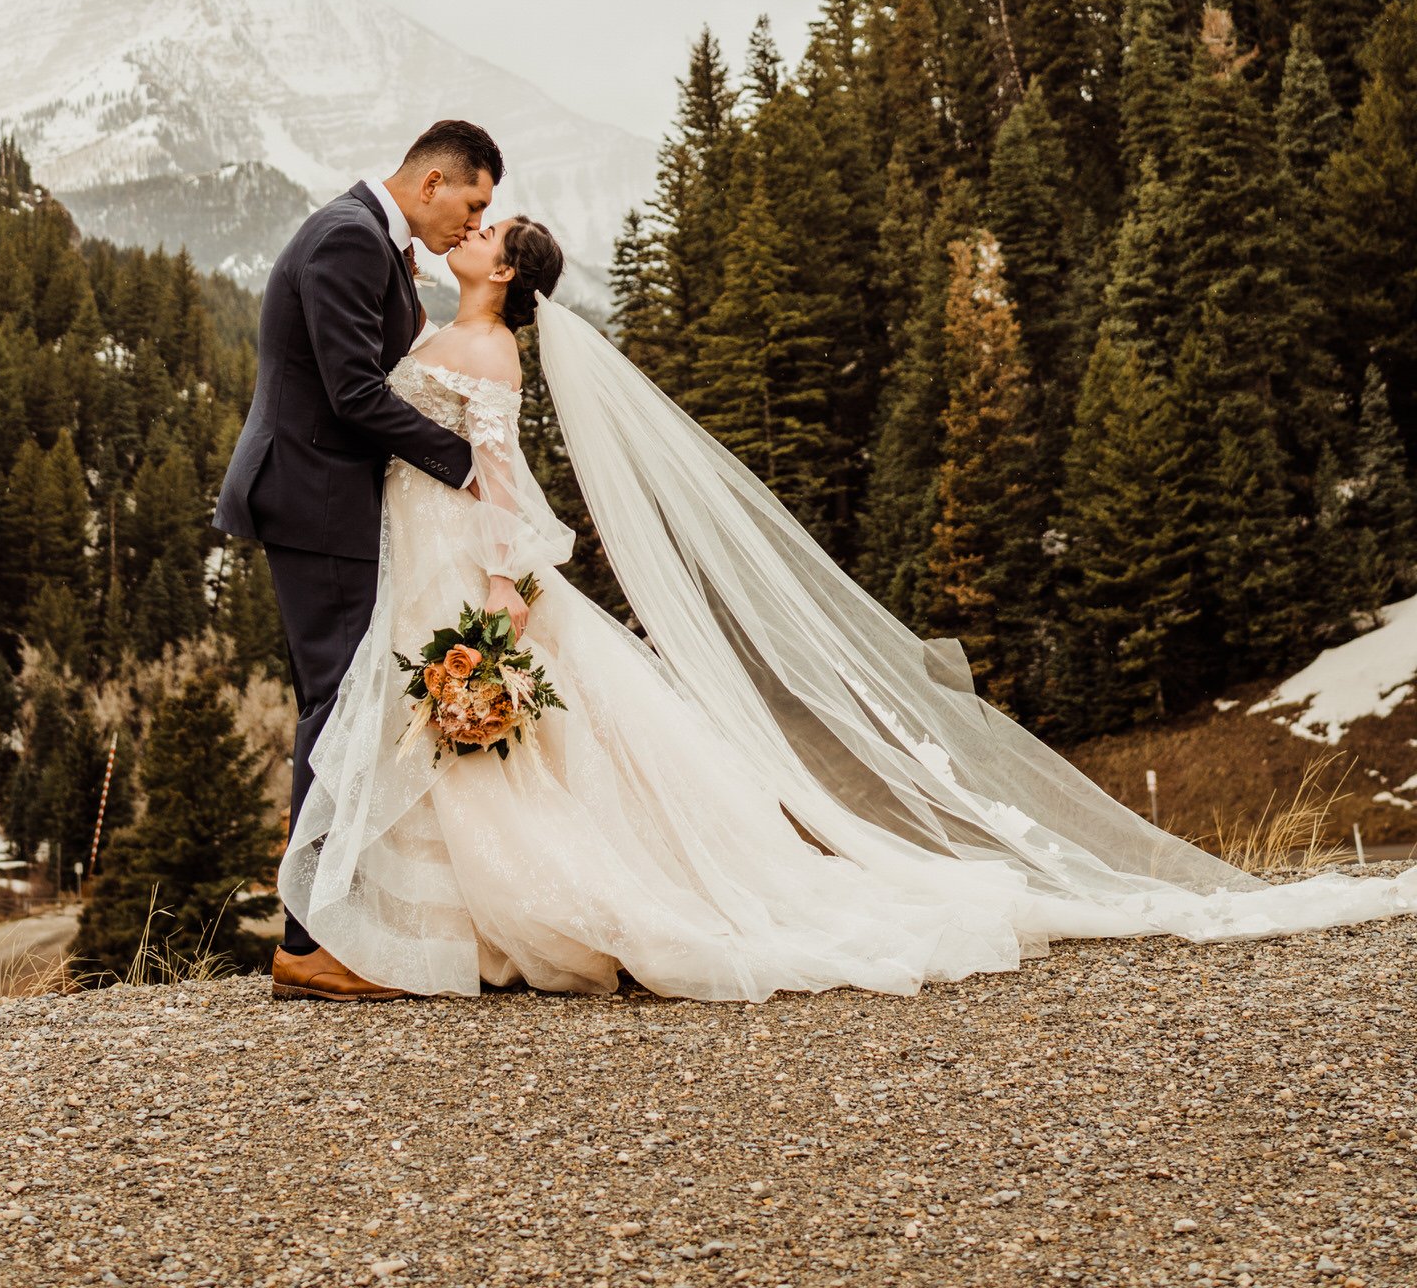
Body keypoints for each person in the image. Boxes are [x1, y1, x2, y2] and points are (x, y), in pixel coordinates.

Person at [281, 222, 1417, 1003]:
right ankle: (427, 931)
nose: (472, 231)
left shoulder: (482, 347)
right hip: (422, 558)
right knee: (468, 751)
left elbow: (504, 489)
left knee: (495, 753)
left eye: (490, 229)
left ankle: (453, 933)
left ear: (503, 270)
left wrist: (500, 604)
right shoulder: (459, 330)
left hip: (463, 572)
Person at [212, 118, 503, 1000]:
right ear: (431, 184)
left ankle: (329, 925)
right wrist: (465, 469)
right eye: (474, 201)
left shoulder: (363, 234)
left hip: (326, 496)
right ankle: (310, 944)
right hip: (316, 495)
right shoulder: (348, 239)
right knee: (337, 708)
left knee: (335, 705)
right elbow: (352, 394)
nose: (474, 222)